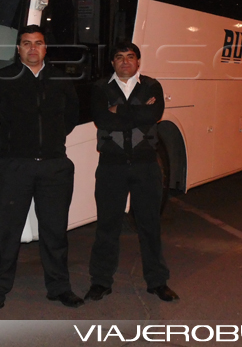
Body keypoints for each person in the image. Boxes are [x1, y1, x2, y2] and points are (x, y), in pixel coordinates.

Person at [0, 25, 82, 320]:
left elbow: (71, 116)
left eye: (38, 43)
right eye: (26, 44)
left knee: (55, 231)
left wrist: (51, 140)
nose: (32, 49)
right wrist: (6, 141)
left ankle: (60, 288)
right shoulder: (1, 79)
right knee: (5, 234)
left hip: (54, 166)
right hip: (13, 167)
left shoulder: (61, 78)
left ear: (46, 48)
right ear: (18, 48)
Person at [84, 41, 177, 303]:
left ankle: (157, 282)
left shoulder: (152, 85)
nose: (125, 61)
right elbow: (103, 120)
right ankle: (101, 281)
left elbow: (154, 114)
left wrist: (121, 110)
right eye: (119, 57)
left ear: (138, 62)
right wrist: (138, 112)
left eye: (131, 57)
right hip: (111, 166)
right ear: (112, 63)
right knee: (107, 226)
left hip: (146, 165)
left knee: (149, 225)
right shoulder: (101, 88)